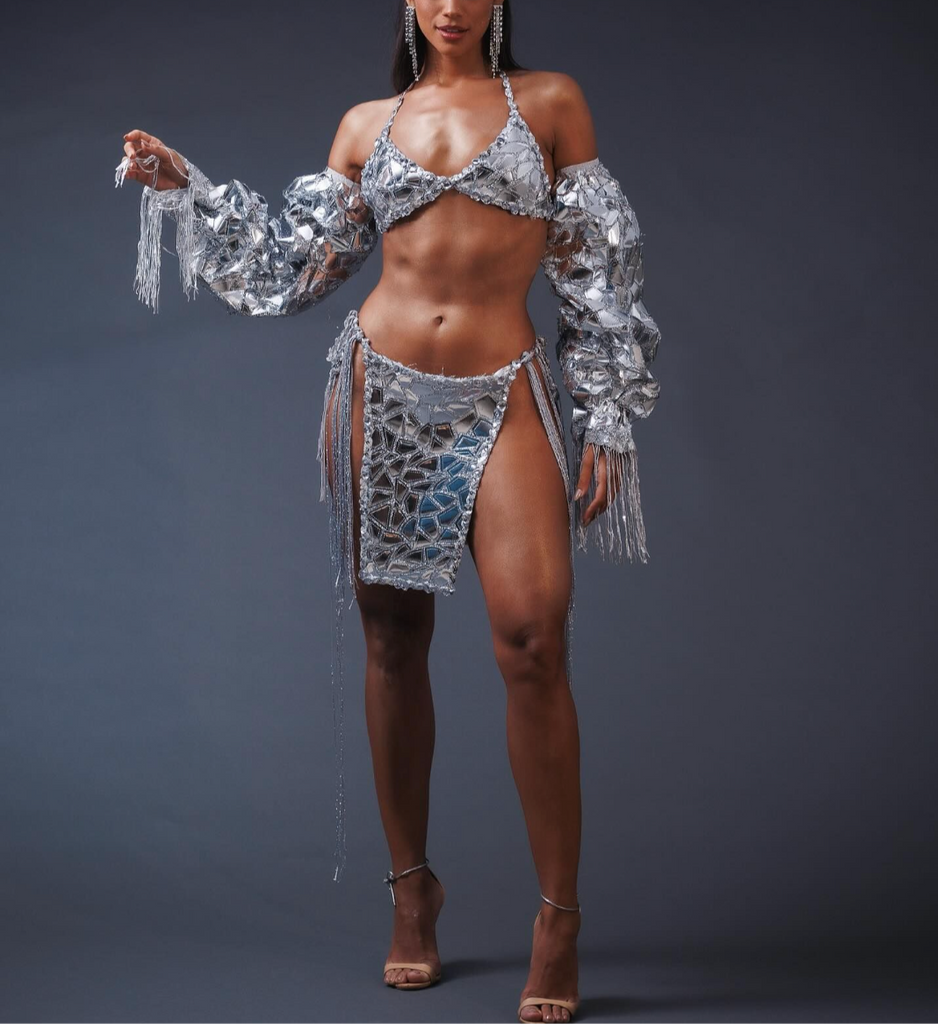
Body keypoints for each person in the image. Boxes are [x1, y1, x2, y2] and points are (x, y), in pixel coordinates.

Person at [115, 3, 661, 1020]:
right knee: (393, 638)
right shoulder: (366, 124)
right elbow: (292, 268)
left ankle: (558, 918)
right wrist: (186, 186)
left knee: (533, 638)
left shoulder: (549, 104)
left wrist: (607, 413)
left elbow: (596, 267)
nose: (450, 5)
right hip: (381, 390)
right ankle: (412, 893)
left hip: (505, 390)